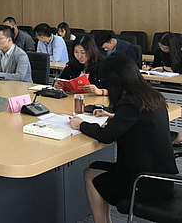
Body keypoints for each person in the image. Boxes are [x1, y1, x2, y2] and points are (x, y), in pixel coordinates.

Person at [70, 54, 178, 223]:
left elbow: (106, 136)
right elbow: (139, 120)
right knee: (92, 170)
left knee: (90, 176)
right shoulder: (151, 96)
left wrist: (81, 124)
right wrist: (114, 116)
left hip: (143, 182)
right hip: (162, 177)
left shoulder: (130, 102)